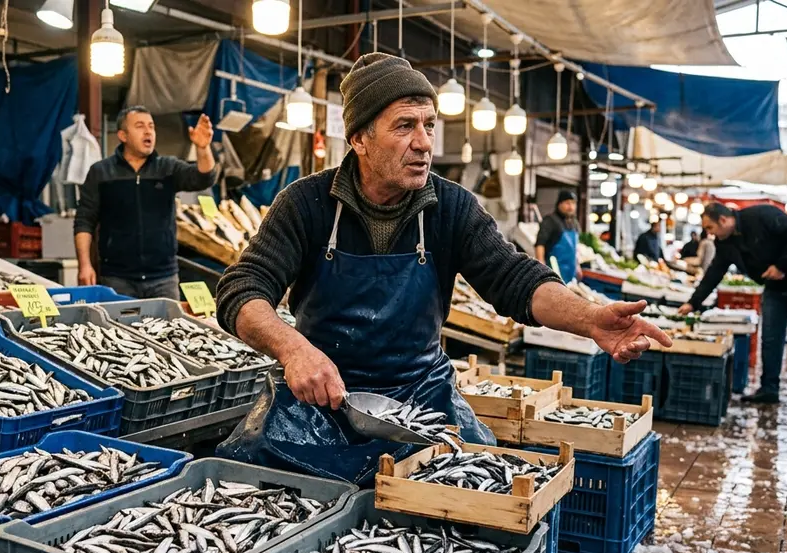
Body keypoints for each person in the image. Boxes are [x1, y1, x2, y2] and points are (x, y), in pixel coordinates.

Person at [212, 53, 671, 486]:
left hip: (421, 395)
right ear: (359, 138)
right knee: (244, 475)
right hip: (323, 394)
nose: (424, 143)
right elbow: (241, 289)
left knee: (480, 485)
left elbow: (515, 279)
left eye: (429, 125)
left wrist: (591, 319)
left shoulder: (451, 207)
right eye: (405, 126)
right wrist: (294, 352)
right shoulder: (305, 203)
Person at [73, 105, 217, 298]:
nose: (148, 130)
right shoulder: (101, 172)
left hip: (163, 278)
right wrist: (84, 265)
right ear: (123, 135)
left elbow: (203, 178)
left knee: (169, 329)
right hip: (117, 278)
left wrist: (203, 148)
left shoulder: (167, 168)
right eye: (140, 126)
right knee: (119, 328)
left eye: (151, 126)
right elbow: (84, 220)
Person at [678, 203, 787, 403]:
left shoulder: (762, 215)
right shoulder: (724, 243)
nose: (709, 234)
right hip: (773, 288)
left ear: (723, 220)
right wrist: (693, 303)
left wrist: (781, 265)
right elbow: (714, 272)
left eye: (710, 228)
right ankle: (769, 389)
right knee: (770, 339)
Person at [534, 189, 582, 282]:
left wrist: (577, 265)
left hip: (571, 272)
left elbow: (575, 248)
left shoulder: (574, 223)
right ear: (559, 204)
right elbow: (540, 244)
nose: (571, 207)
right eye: (567, 203)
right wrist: (541, 268)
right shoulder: (550, 221)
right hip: (554, 271)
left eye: (573, 203)